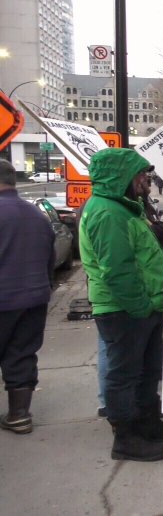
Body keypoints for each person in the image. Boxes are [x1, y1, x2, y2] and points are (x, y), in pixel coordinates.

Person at [79, 148, 163, 462]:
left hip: (143, 307)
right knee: (124, 373)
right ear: (122, 176)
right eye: (140, 174)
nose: (145, 180)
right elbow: (117, 269)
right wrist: (140, 305)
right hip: (125, 310)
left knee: (146, 370)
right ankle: (125, 436)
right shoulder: (108, 212)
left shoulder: (125, 208)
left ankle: (147, 422)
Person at [0, 160, 55, 435]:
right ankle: (19, 414)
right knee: (21, 355)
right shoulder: (37, 216)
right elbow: (50, 259)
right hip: (33, 299)